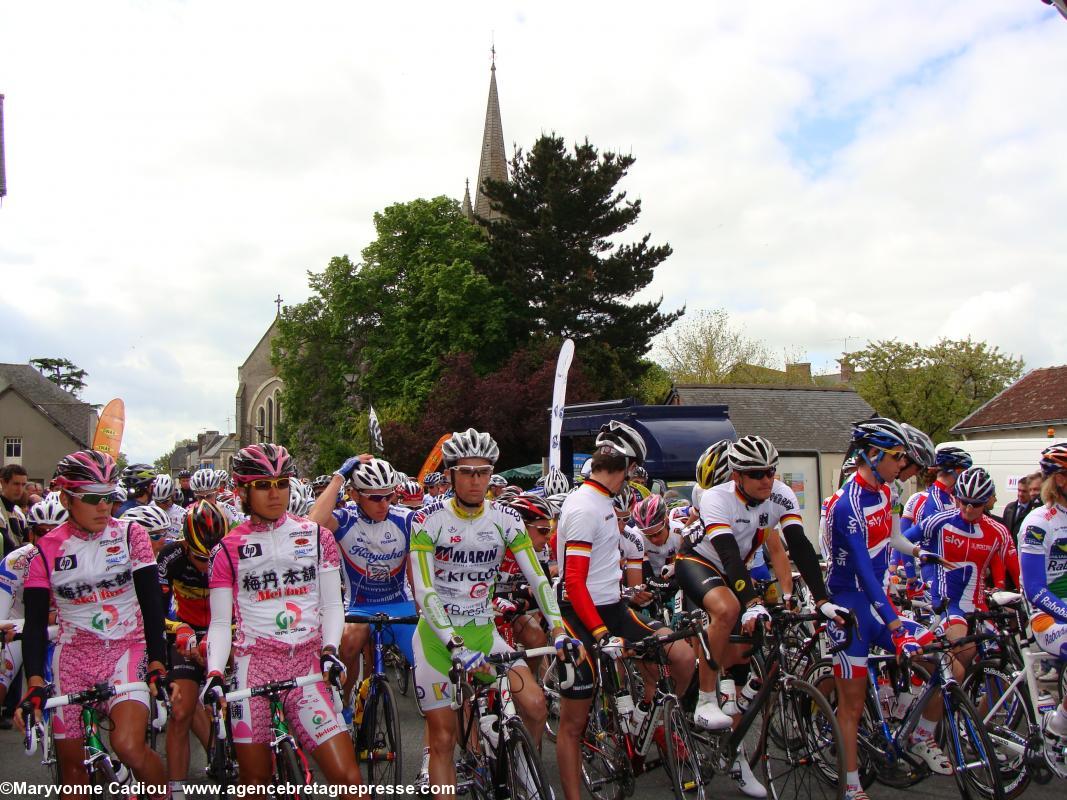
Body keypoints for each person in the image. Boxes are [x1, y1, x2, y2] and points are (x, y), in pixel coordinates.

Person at [675, 434, 839, 798]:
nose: (767, 479)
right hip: (700, 563)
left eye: (770, 471)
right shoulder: (717, 498)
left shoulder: (780, 495)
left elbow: (799, 546)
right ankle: (703, 700)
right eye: (756, 473)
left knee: (738, 671)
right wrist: (751, 601)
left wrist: (822, 599)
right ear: (737, 476)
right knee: (729, 607)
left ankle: (735, 758)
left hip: (736, 571)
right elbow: (730, 556)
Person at [408, 428, 571, 790]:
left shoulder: (506, 519)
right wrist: (454, 644)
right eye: (466, 472)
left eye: (483, 472)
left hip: (484, 632)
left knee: (534, 705)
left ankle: (522, 779)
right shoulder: (427, 520)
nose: (475, 480)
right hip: (438, 640)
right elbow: (425, 590)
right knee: (444, 742)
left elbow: (538, 578)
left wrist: (558, 628)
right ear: (450, 474)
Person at [201, 443, 361, 789]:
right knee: (255, 781)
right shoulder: (226, 550)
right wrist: (215, 672)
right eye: (263, 485)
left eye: (282, 483)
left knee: (348, 780)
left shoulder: (317, 536)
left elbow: (333, 605)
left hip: (306, 666)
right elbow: (218, 623)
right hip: (252, 670)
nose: (275, 494)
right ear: (242, 490)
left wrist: (330, 650)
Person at [555, 421, 694, 800]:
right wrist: (600, 634)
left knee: (680, 654)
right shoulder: (585, 507)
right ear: (628, 466)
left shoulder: (604, 502)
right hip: (579, 614)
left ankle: (655, 721)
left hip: (612, 606)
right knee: (574, 721)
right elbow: (573, 582)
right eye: (633, 471)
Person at [15, 450, 169, 792]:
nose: (104, 506)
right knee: (73, 773)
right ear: (67, 498)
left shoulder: (132, 536)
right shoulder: (44, 551)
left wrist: (158, 660)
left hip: (126, 651)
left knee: (129, 746)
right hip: (73, 658)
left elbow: (151, 604)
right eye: (92, 498)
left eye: (109, 497)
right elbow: (36, 623)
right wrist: (35, 682)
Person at [823, 419, 946, 800]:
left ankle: (920, 734)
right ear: (873, 455)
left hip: (877, 599)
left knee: (933, 654)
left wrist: (921, 552)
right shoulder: (849, 503)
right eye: (898, 457)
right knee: (853, 704)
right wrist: (894, 625)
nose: (904, 464)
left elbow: (893, 538)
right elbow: (863, 570)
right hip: (852, 603)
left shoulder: (886, 491)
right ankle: (852, 784)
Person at [308, 456, 417, 710]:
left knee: (427, 662)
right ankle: (344, 707)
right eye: (375, 498)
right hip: (360, 606)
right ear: (355, 495)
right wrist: (339, 476)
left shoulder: (405, 520)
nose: (384, 504)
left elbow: (415, 575)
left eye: (388, 496)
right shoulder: (344, 519)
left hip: (400, 603)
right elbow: (311, 525)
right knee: (348, 643)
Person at [904, 467, 1019, 680]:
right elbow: (901, 542)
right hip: (946, 601)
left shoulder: (998, 531)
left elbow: (1016, 569)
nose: (967, 508)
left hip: (977, 603)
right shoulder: (940, 520)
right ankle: (950, 701)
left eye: (974, 504)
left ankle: (977, 713)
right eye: (962, 500)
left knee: (1004, 669)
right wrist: (910, 574)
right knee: (964, 653)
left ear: (986, 502)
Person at [158, 501, 227, 800]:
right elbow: (154, 612)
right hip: (184, 630)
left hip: (225, 629)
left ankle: (226, 749)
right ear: (185, 545)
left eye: (213, 557)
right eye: (200, 558)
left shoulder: (233, 552)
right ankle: (176, 790)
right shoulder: (170, 556)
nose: (208, 566)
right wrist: (179, 630)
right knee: (181, 710)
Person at [0, 495, 66, 726]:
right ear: (30, 534)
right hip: (21, 623)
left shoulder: (80, 557)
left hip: (64, 626)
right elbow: (1, 605)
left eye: (55, 532)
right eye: (41, 531)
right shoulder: (16, 561)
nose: (48, 538)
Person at [0, 464, 29, 554]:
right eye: (16, 484)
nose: (20, 489)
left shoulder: (19, 513)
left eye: (23, 485)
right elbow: (7, 546)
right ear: (2, 482)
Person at [153, 474, 187, 541]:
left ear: (173, 494)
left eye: (165, 502)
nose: (161, 506)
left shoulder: (183, 513)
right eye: (157, 502)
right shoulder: (148, 509)